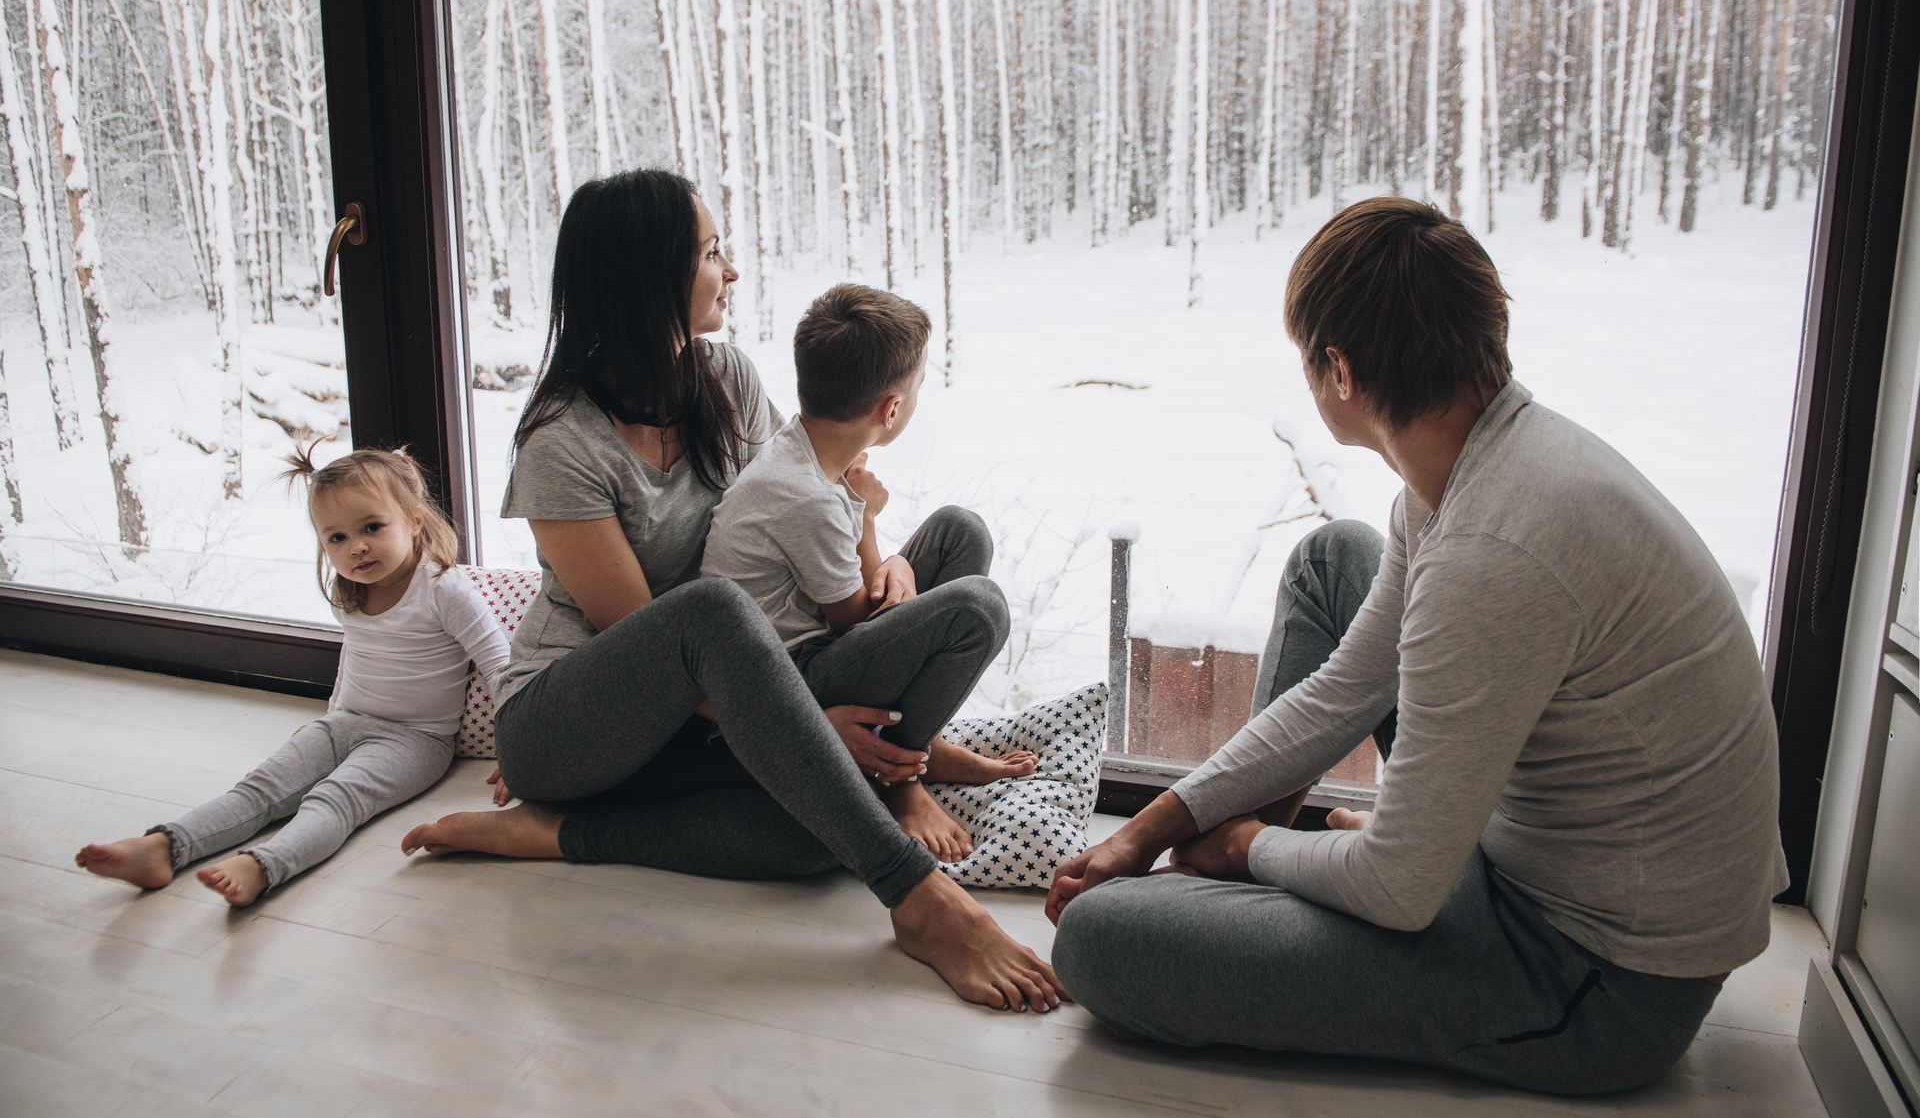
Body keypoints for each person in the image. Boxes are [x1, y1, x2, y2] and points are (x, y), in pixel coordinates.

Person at [1044, 196, 1790, 1094]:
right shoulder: (1472, 471)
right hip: (1523, 857)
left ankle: (1268, 884)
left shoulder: (1491, 553)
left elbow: (1403, 888)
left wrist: (1245, 847)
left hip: (1596, 980)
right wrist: (1160, 825)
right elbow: (1345, 688)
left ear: (1340, 371)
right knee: (1335, 558)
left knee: (1100, 942)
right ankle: (1283, 882)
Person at [400, 169, 1065, 1013]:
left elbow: (789, 514)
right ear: (650, 280)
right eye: (712, 251)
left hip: (734, 679)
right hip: (580, 715)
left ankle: (895, 768)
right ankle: (918, 898)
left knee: (815, 830)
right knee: (720, 630)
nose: (733, 269)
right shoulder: (561, 442)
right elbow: (660, 641)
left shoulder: (727, 379)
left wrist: (882, 560)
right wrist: (808, 726)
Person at [75, 447, 507, 907]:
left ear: (414, 521)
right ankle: (163, 846)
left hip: (415, 740)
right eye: (336, 538)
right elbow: (354, 660)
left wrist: (517, 749)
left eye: (372, 528)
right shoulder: (351, 592)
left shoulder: (444, 588)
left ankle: (263, 865)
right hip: (344, 724)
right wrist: (330, 719)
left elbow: (499, 664)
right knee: (259, 789)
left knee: (334, 798)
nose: (356, 547)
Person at [701, 282, 1036, 864]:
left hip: (816, 641)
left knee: (960, 530)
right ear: (892, 409)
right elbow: (854, 616)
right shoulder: (805, 496)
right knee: (979, 608)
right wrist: (870, 525)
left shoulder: (802, 447)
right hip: (788, 676)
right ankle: (900, 776)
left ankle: (921, 742)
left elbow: (858, 593)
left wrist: (895, 562)